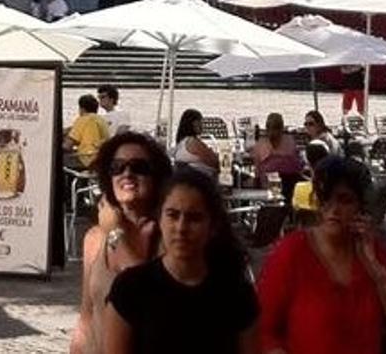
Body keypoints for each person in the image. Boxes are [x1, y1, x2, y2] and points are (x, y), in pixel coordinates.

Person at [258, 156, 386, 354]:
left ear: (361, 207)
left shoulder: (372, 251)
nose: (333, 209)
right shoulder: (291, 252)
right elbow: (264, 330)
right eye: (325, 199)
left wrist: (377, 272)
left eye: (344, 200)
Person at [103, 169, 259, 354]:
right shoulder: (131, 289)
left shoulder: (236, 293)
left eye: (194, 218)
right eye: (172, 215)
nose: (181, 228)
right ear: (159, 219)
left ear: (213, 226)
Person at [71, 132, 173, 354]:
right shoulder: (95, 238)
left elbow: (150, 298)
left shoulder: (167, 235)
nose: (127, 174)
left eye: (139, 167)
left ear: (156, 178)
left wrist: (116, 233)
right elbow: (86, 317)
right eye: (117, 167)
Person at [252, 113, 305, 203]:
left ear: (281, 129)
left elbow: (297, 167)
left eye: (275, 128)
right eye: (271, 128)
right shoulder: (261, 145)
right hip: (271, 188)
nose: (273, 132)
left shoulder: (289, 142)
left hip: (287, 188)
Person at [64, 94, 110, 170]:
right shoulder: (102, 120)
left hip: (86, 159)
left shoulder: (83, 119)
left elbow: (67, 145)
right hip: (101, 159)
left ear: (82, 109)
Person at [172, 108, 220, 178]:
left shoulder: (181, 143)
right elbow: (215, 162)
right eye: (199, 122)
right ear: (192, 124)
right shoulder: (193, 143)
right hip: (203, 181)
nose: (202, 125)